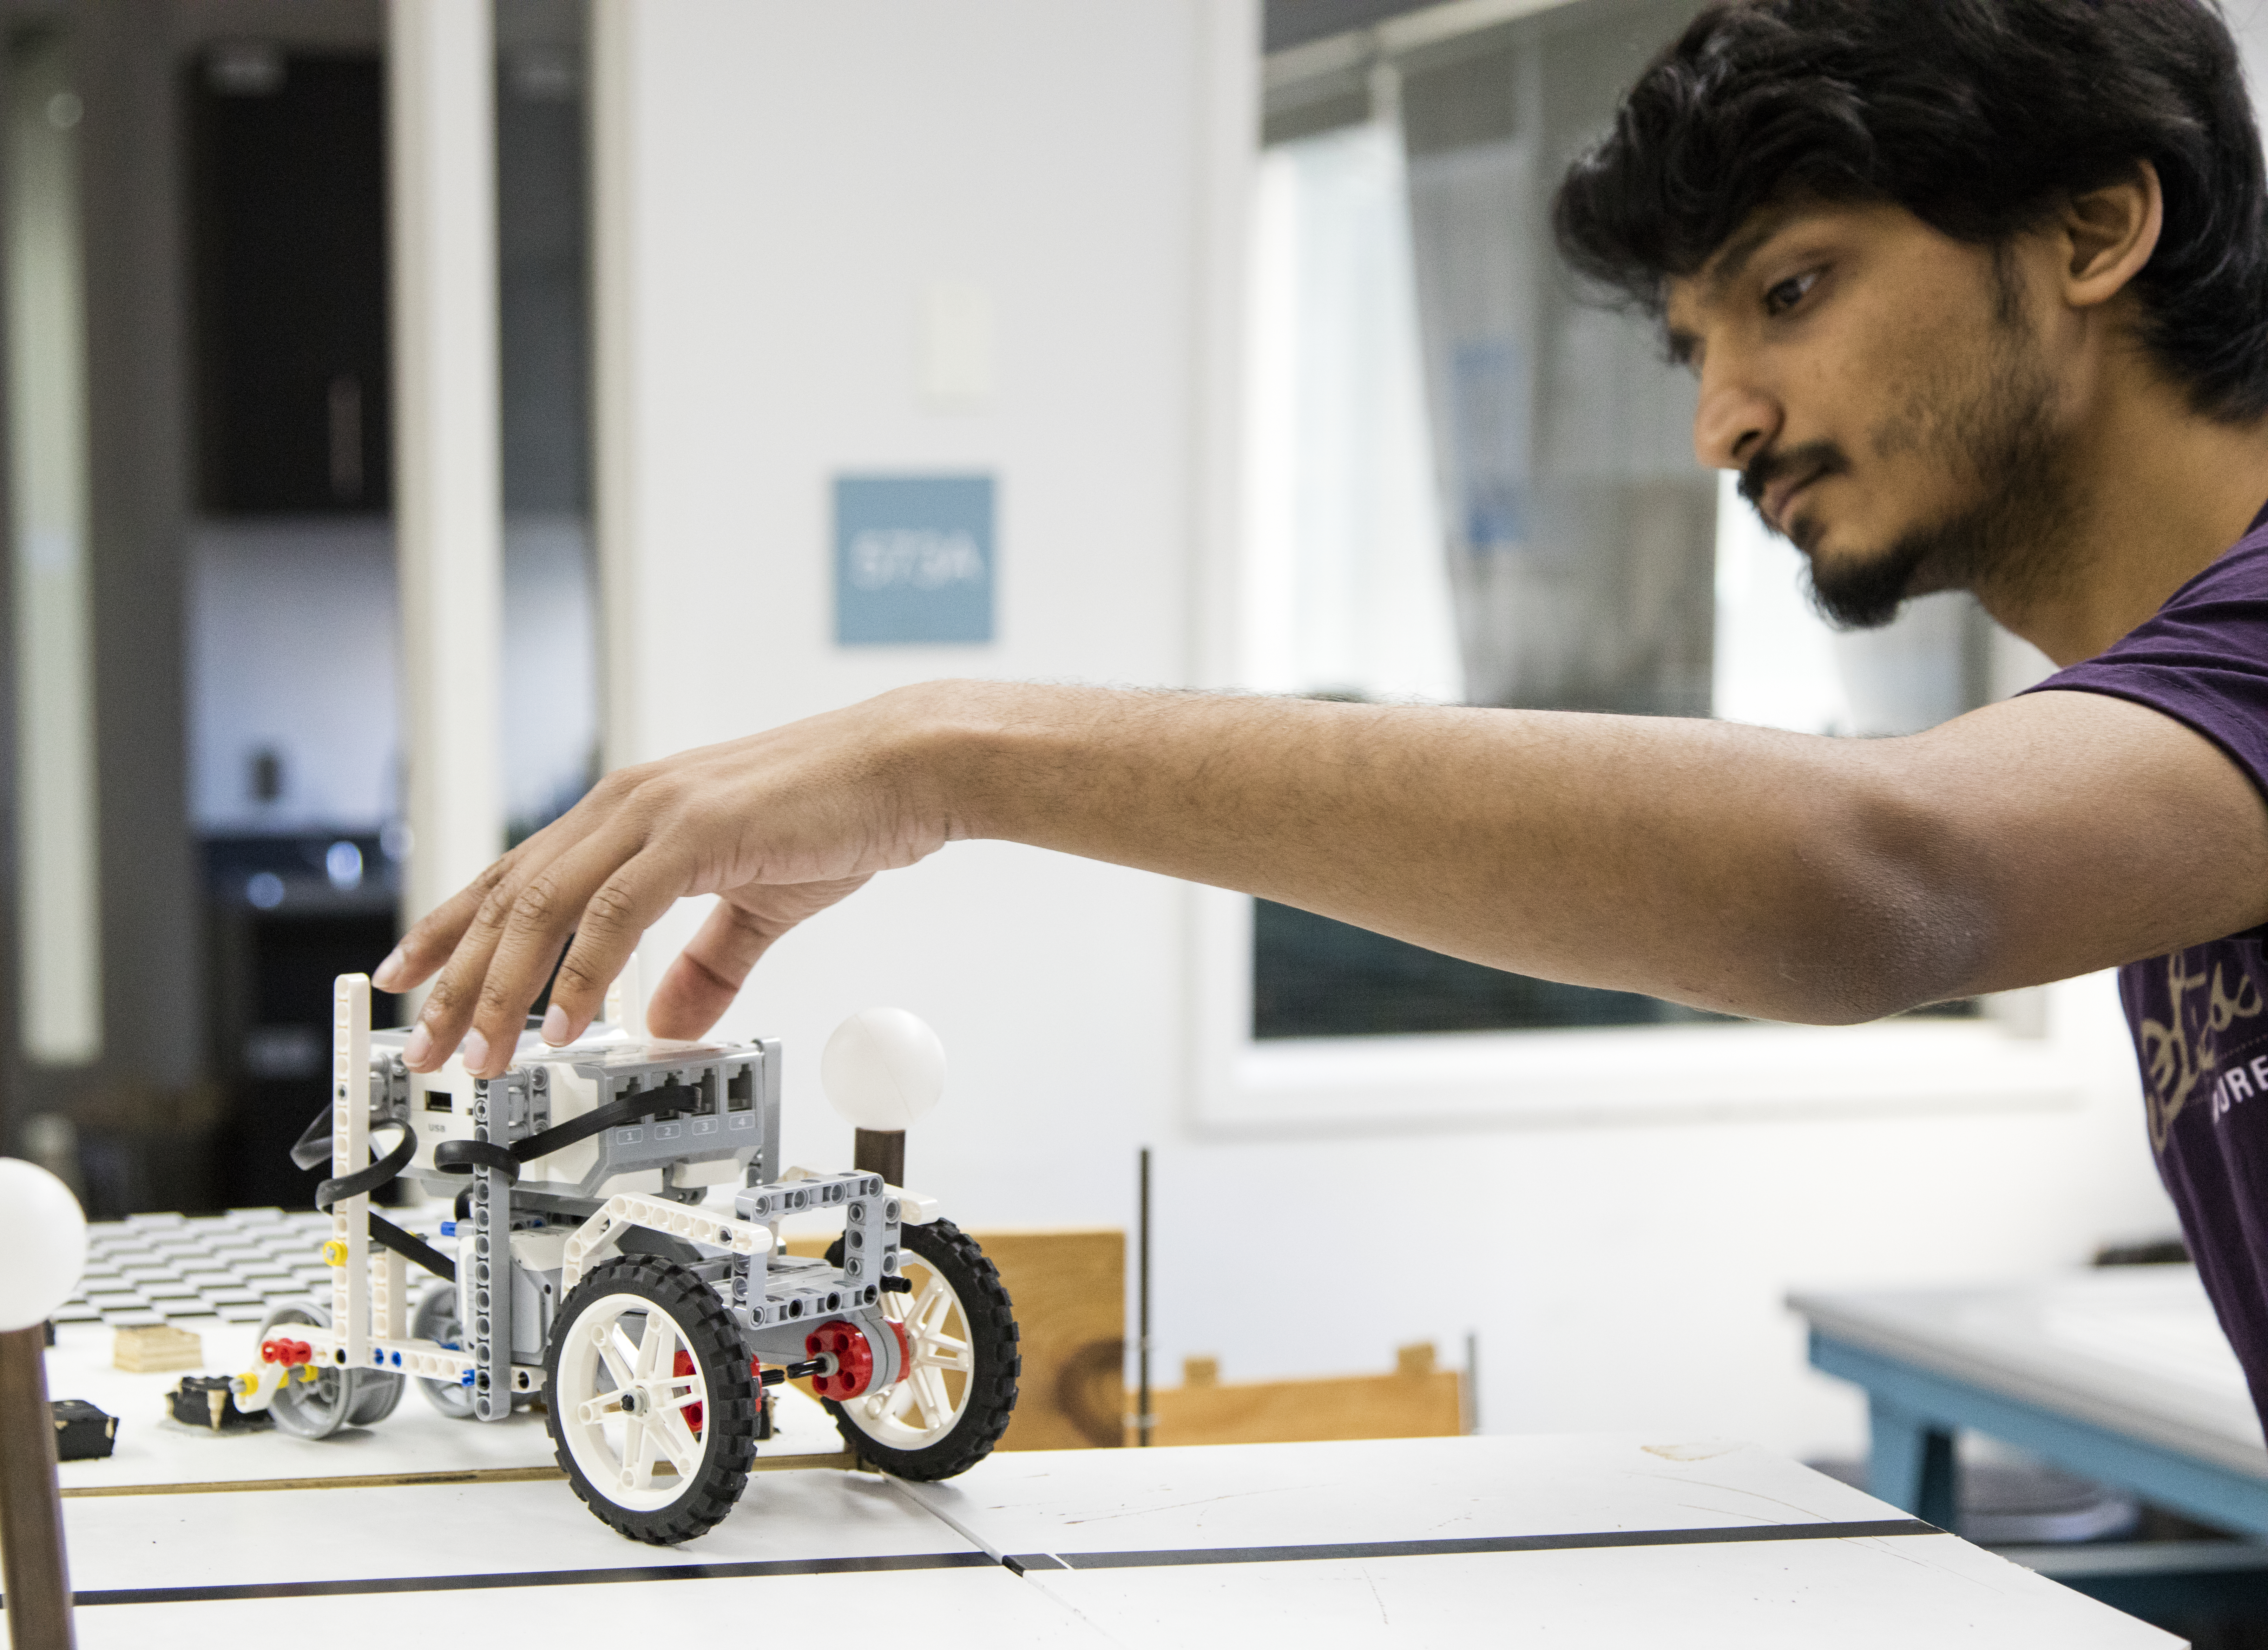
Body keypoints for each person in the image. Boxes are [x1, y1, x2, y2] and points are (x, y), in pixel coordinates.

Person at [377, 0, 2268, 1422]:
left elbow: (1884, 878)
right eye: (1699, 349)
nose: (1722, 425)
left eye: (1795, 291)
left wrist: (950, 751)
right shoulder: (2171, 711)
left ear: (2097, 230)